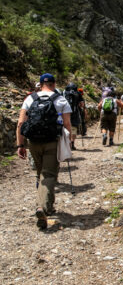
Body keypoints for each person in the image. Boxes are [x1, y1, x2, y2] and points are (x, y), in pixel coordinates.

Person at [16, 73, 72, 229]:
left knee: (41, 173)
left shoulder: (30, 98)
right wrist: (69, 143)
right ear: (54, 84)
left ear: (40, 84)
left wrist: (20, 145)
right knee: (49, 175)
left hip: (33, 142)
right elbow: (67, 125)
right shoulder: (60, 99)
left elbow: (21, 123)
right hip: (52, 142)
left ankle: (49, 205)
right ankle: (42, 207)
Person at [63, 83, 84, 150]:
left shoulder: (64, 92)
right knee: (73, 128)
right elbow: (81, 104)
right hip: (75, 113)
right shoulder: (78, 93)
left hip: (65, 113)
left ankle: (65, 143)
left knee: (64, 127)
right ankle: (72, 142)